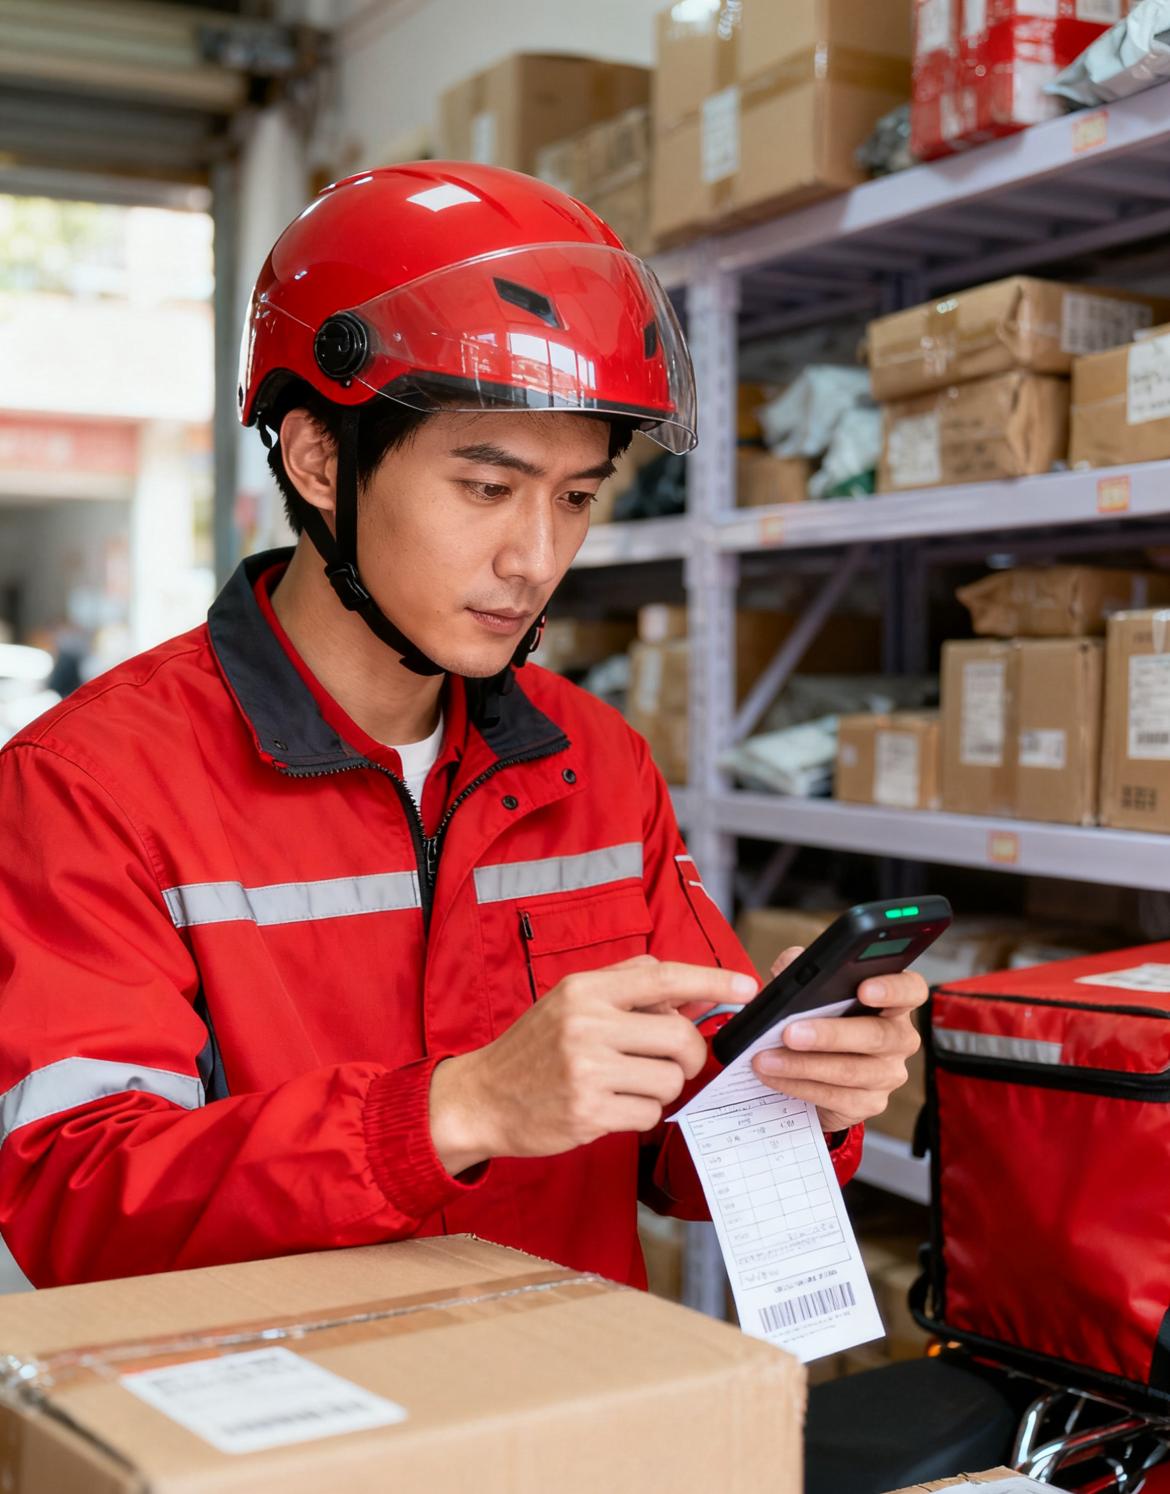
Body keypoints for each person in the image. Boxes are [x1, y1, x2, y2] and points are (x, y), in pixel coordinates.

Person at [0, 163, 925, 1289]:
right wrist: (459, 1109)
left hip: (563, 1418)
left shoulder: (597, 762)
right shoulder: (90, 783)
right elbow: (75, 1202)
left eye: (576, 497)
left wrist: (796, 1089)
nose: (536, 559)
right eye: (488, 488)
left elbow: (681, 1165)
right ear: (319, 459)